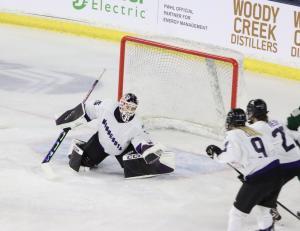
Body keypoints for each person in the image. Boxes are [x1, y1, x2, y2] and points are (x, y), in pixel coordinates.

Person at [55, 92, 175, 178]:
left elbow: (141, 139)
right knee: (82, 162)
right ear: (121, 103)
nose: (129, 110)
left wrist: (147, 150)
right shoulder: (107, 106)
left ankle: (155, 163)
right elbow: (87, 109)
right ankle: (79, 146)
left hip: (122, 149)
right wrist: (72, 119)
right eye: (127, 106)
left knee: (137, 167)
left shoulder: (136, 125)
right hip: (100, 142)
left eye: (132, 108)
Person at [206, 108, 281, 231]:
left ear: (230, 122)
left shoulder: (233, 134)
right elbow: (266, 153)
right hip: (277, 172)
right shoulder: (254, 131)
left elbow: (232, 155)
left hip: (259, 177)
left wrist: (217, 155)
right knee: (263, 209)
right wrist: (247, 172)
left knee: (236, 214)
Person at [246, 99, 300, 222]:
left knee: (265, 184)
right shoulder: (276, 121)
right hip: (298, 157)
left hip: (285, 164)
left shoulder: (254, 130)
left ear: (253, 113)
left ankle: (270, 208)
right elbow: (290, 132)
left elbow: (258, 154)